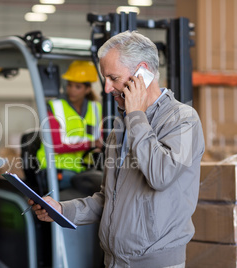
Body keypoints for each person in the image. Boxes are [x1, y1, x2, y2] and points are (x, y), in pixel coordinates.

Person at [31, 31, 205, 267]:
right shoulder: (121, 127)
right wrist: (62, 209)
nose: (106, 88)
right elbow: (110, 199)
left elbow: (160, 175)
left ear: (142, 72)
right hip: (115, 260)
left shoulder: (183, 120)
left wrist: (136, 115)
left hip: (155, 262)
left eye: (113, 77)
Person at [36, 60, 102, 190]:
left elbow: (100, 138)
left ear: (87, 89)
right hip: (56, 169)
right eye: (69, 85)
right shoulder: (55, 107)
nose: (72, 90)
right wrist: (91, 144)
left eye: (77, 87)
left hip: (83, 168)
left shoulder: (96, 108)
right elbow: (56, 146)